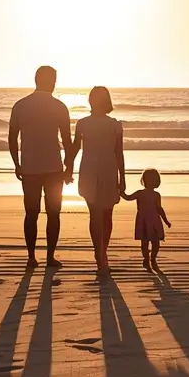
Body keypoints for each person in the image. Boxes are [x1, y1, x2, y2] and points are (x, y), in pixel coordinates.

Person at [8, 65, 72, 269]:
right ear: (51, 82)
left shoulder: (20, 105)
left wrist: (16, 163)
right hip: (53, 167)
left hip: (30, 167)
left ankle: (31, 257)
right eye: (54, 80)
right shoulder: (59, 106)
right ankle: (50, 257)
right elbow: (67, 140)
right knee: (53, 213)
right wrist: (68, 166)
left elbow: (12, 137)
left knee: (31, 212)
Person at [67, 86, 124, 274]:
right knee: (103, 215)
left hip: (100, 167)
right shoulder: (85, 123)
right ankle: (100, 254)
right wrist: (68, 167)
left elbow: (119, 153)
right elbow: (76, 148)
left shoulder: (112, 124)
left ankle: (101, 253)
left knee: (101, 214)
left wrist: (122, 178)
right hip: (98, 167)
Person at [122, 167, 171, 271]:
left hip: (154, 220)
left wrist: (166, 220)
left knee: (155, 242)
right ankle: (146, 259)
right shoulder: (140, 193)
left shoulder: (156, 195)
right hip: (143, 220)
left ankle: (152, 259)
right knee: (145, 242)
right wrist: (120, 190)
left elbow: (159, 209)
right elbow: (128, 197)